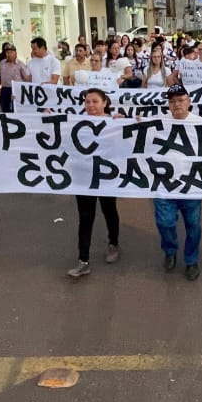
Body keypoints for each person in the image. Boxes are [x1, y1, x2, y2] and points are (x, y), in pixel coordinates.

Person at [66, 88, 123, 278]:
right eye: (87, 101)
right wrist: (50, 120)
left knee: (109, 210)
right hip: (83, 177)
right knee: (85, 217)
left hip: (106, 176)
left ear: (105, 102)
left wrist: (125, 124)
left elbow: (125, 146)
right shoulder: (77, 123)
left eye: (95, 101)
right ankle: (83, 260)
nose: (90, 105)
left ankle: (113, 243)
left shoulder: (115, 122)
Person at [152, 85, 202, 280]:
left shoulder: (200, 123)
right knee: (164, 223)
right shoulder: (158, 122)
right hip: (164, 184)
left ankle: (191, 260)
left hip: (191, 185)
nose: (177, 105)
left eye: (181, 100)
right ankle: (170, 250)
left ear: (189, 102)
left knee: (193, 225)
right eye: (172, 101)